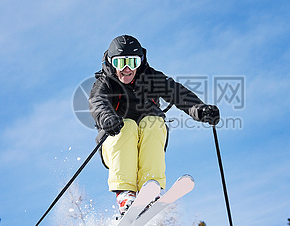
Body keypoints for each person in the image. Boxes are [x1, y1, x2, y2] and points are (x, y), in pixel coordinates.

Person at [89, 35, 220, 215]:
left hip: (147, 141)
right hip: (115, 143)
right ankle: (125, 193)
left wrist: (200, 109)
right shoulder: (105, 83)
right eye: (121, 63)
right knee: (127, 126)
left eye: (132, 62)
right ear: (111, 63)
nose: (127, 69)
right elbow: (98, 103)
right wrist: (107, 118)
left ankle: (149, 188)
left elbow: (177, 92)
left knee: (154, 122)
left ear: (140, 62)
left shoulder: (151, 78)